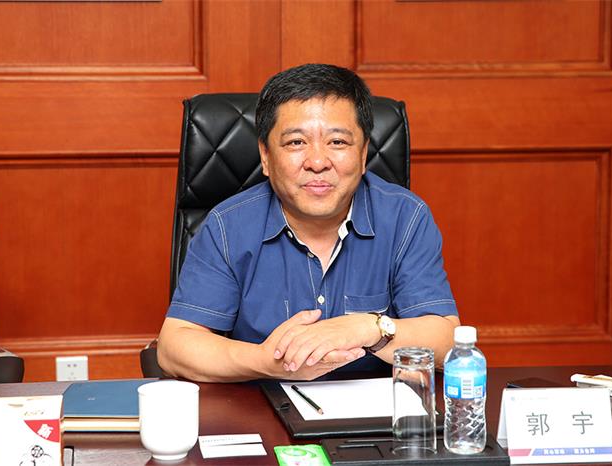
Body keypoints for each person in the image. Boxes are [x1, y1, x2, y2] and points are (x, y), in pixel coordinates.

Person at [158, 63, 460, 382]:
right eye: (296, 143)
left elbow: (448, 342)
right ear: (265, 156)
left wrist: (369, 328)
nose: (317, 162)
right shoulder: (227, 226)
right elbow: (174, 347)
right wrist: (265, 361)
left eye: (338, 142)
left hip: (378, 410)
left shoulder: (405, 218)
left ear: (363, 155)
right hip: (264, 405)